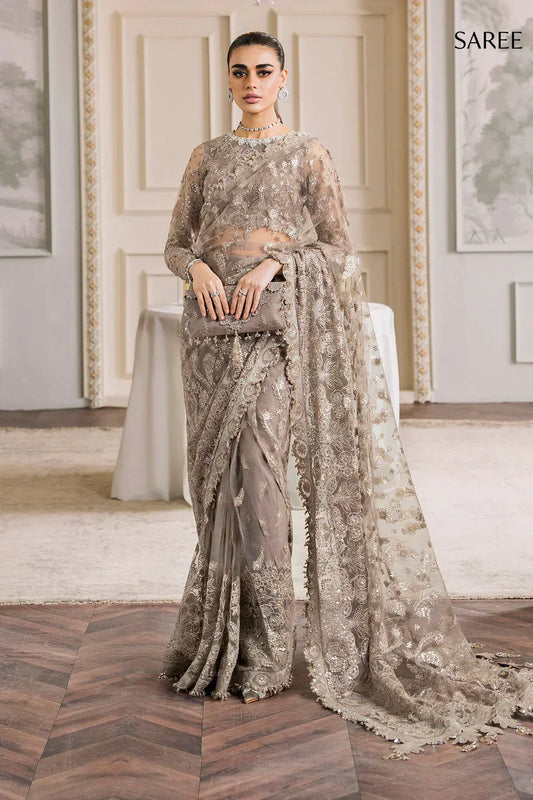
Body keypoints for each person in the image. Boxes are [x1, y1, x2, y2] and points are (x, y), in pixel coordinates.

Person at [158, 31, 533, 760]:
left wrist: (272, 264)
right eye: (239, 72)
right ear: (227, 79)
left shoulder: (309, 154)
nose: (250, 82)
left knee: (260, 485)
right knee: (216, 492)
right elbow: (177, 242)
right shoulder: (205, 156)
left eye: (263, 71)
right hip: (209, 338)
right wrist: (194, 269)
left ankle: (268, 653)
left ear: (283, 78)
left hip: (275, 334)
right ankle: (225, 642)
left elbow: (335, 246)